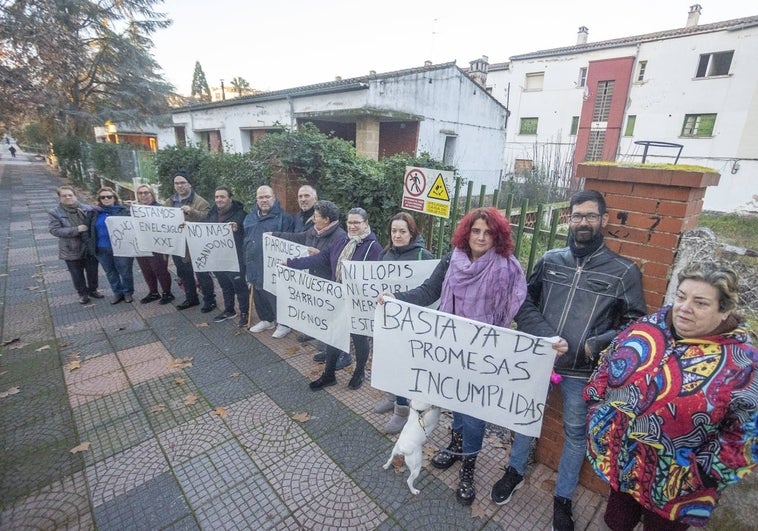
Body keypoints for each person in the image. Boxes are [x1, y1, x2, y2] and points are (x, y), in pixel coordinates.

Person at [490, 189, 647, 531]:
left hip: (581, 371)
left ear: (603, 220)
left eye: (591, 216)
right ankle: (515, 471)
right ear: (569, 219)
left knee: (576, 433)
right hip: (539, 360)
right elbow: (523, 301)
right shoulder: (550, 260)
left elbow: (636, 324)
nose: (583, 222)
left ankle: (562, 497)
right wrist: (545, 334)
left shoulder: (624, 272)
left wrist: (595, 344)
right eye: (577, 216)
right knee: (524, 417)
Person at [585, 261, 757, 531]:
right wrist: (596, 409)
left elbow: (745, 436)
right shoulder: (647, 327)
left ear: (724, 311)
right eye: (681, 296)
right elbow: (608, 363)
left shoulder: (743, 364)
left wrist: (700, 474)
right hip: (621, 464)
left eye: (700, 303)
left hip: (677, 488)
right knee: (615, 523)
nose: (685, 307)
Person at [379, 207, 527, 505]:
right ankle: (456, 445)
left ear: (497, 235)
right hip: (451, 349)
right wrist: (396, 299)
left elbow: (522, 308)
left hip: (484, 353)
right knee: (454, 402)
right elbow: (428, 290)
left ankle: (468, 466)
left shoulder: (507, 267)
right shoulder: (452, 259)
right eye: (476, 231)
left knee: (473, 412)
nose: (481, 237)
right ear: (466, 232)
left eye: (488, 232)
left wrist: (544, 338)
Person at [288, 207, 382, 390]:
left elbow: (377, 278)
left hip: (359, 304)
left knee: (359, 339)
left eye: (357, 222)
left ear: (366, 224)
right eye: (350, 222)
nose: (353, 226)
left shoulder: (374, 248)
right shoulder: (341, 242)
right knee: (334, 336)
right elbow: (320, 258)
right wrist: (292, 264)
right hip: (338, 300)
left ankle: (359, 371)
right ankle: (329, 375)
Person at [373, 212, 435, 434]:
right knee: (388, 360)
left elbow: (430, 291)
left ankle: (402, 410)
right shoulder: (385, 253)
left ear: (412, 233)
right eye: (393, 231)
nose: (397, 235)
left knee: (402, 364)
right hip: (387, 322)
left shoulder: (423, 256)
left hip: (411, 325)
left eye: (402, 231)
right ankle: (393, 396)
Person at [270, 200, 348, 364]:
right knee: (319, 315)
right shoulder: (314, 231)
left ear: (326, 220)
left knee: (332, 320)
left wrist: (318, 254)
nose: (313, 219)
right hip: (313, 280)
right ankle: (324, 345)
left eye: (316, 216)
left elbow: (337, 263)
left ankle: (338, 354)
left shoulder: (340, 237)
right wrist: (275, 235)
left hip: (328, 283)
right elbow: (298, 237)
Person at [243, 185, 295, 338]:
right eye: (261, 197)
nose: (264, 200)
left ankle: (284, 323)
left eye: (267, 197)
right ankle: (267, 319)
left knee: (273, 293)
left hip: (272, 264)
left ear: (274, 198)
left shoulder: (284, 218)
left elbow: (289, 242)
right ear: (256, 200)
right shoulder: (250, 216)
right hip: (253, 261)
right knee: (258, 291)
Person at [162, 171, 214, 311]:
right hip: (178, 244)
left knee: (202, 273)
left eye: (182, 182)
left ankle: (210, 300)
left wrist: (191, 211)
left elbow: (206, 219)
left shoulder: (200, 202)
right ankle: (191, 298)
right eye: (177, 183)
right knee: (184, 273)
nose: (180, 186)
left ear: (189, 184)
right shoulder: (169, 201)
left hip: (196, 244)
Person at [199, 187, 250, 328]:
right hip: (217, 257)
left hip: (235, 258)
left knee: (239, 287)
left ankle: (245, 312)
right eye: (216, 197)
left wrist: (237, 227)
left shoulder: (240, 213)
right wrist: (188, 226)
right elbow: (204, 226)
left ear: (230, 198)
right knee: (225, 285)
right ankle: (229, 310)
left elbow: (243, 229)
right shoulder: (213, 212)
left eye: (222, 197)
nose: (219, 200)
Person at [48, 185, 103, 304]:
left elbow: (101, 211)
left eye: (70, 195)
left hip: (88, 246)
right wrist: (76, 229)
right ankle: (82, 294)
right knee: (77, 274)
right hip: (70, 248)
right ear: (60, 197)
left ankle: (93, 290)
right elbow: (54, 230)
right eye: (64, 195)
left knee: (92, 271)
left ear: (75, 196)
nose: (68, 197)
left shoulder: (87, 208)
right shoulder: (55, 212)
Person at [88, 187, 134, 304]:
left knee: (125, 271)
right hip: (102, 248)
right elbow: (88, 229)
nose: (106, 199)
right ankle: (117, 293)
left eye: (109, 196)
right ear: (99, 199)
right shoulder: (94, 212)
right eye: (103, 197)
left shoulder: (124, 211)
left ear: (114, 198)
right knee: (110, 272)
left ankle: (128, 293)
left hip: (121, 247)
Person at [133, 185, 175, 305]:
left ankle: (167, 293)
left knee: (160, 270)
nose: (143, 195)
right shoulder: (134, 209)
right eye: (140, 193)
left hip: (158, 246)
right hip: (141, 245)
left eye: (146, 192)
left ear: (152, 194)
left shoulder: (160, 209)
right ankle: (153, 292)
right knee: (146, 270)